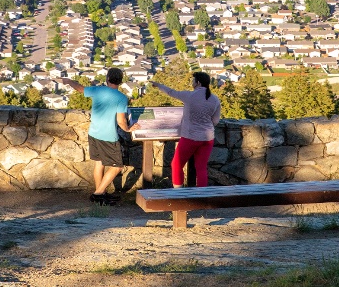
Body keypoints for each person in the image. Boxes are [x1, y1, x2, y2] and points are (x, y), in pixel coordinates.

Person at [61, 68, 139, 205]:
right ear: (120, 81)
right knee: (117, 167)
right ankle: (97, 194)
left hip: (94, 133)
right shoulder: (121, 98)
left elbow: (80, 88)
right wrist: (128, 128)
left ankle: (101, 193)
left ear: (107, 78)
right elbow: (121, 121)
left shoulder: (98, 90)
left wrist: (68, 81)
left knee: (99, 163)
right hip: (108, 136)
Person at [153, 71, 220, 188]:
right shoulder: (215, 99)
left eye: (193, 80)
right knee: (201, 168)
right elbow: (215, 121)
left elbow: (171, 92)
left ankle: (179, 192)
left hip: (190, 137)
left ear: (198, 82)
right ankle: (202, 195)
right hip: (208, 138)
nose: (191, 82)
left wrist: (158, 85)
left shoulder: (189, 96)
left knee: (177, 164)